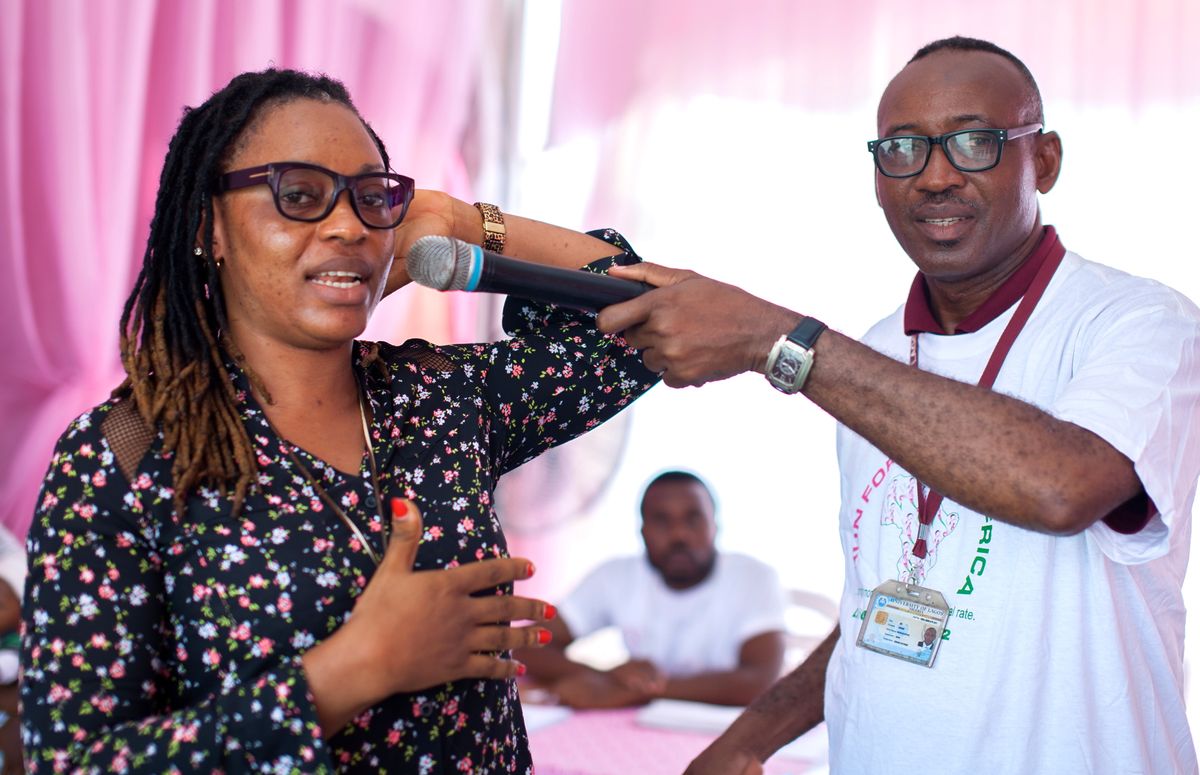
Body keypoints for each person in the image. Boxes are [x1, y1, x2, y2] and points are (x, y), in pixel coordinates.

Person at [19, 69, 658, 773]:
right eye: (299, 195)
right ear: (208, 227)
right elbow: (74, 761)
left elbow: (639, 319)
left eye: (374, 197)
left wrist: (456, 221)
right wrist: (352, 669)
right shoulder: (124, 455)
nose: (350, 225)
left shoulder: (439, 401)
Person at [595, 37, 1200, 774]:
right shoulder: (874, 352)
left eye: (974, 141)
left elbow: (1062, 485)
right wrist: (751, 737)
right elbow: (880, 604)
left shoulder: (1139, 322)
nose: (935, 176)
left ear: (1044, 160)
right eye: (904, 147)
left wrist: (776, 339)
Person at [517, 471, 786, 708]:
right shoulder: (614, 576)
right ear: (642, 532)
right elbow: (527, 645)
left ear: (714, 526)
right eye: (662, 521)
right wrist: (606, 676)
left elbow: (761, 681)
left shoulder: (754, 577)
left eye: (693, 519)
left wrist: (629, 691)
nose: (679, 534)